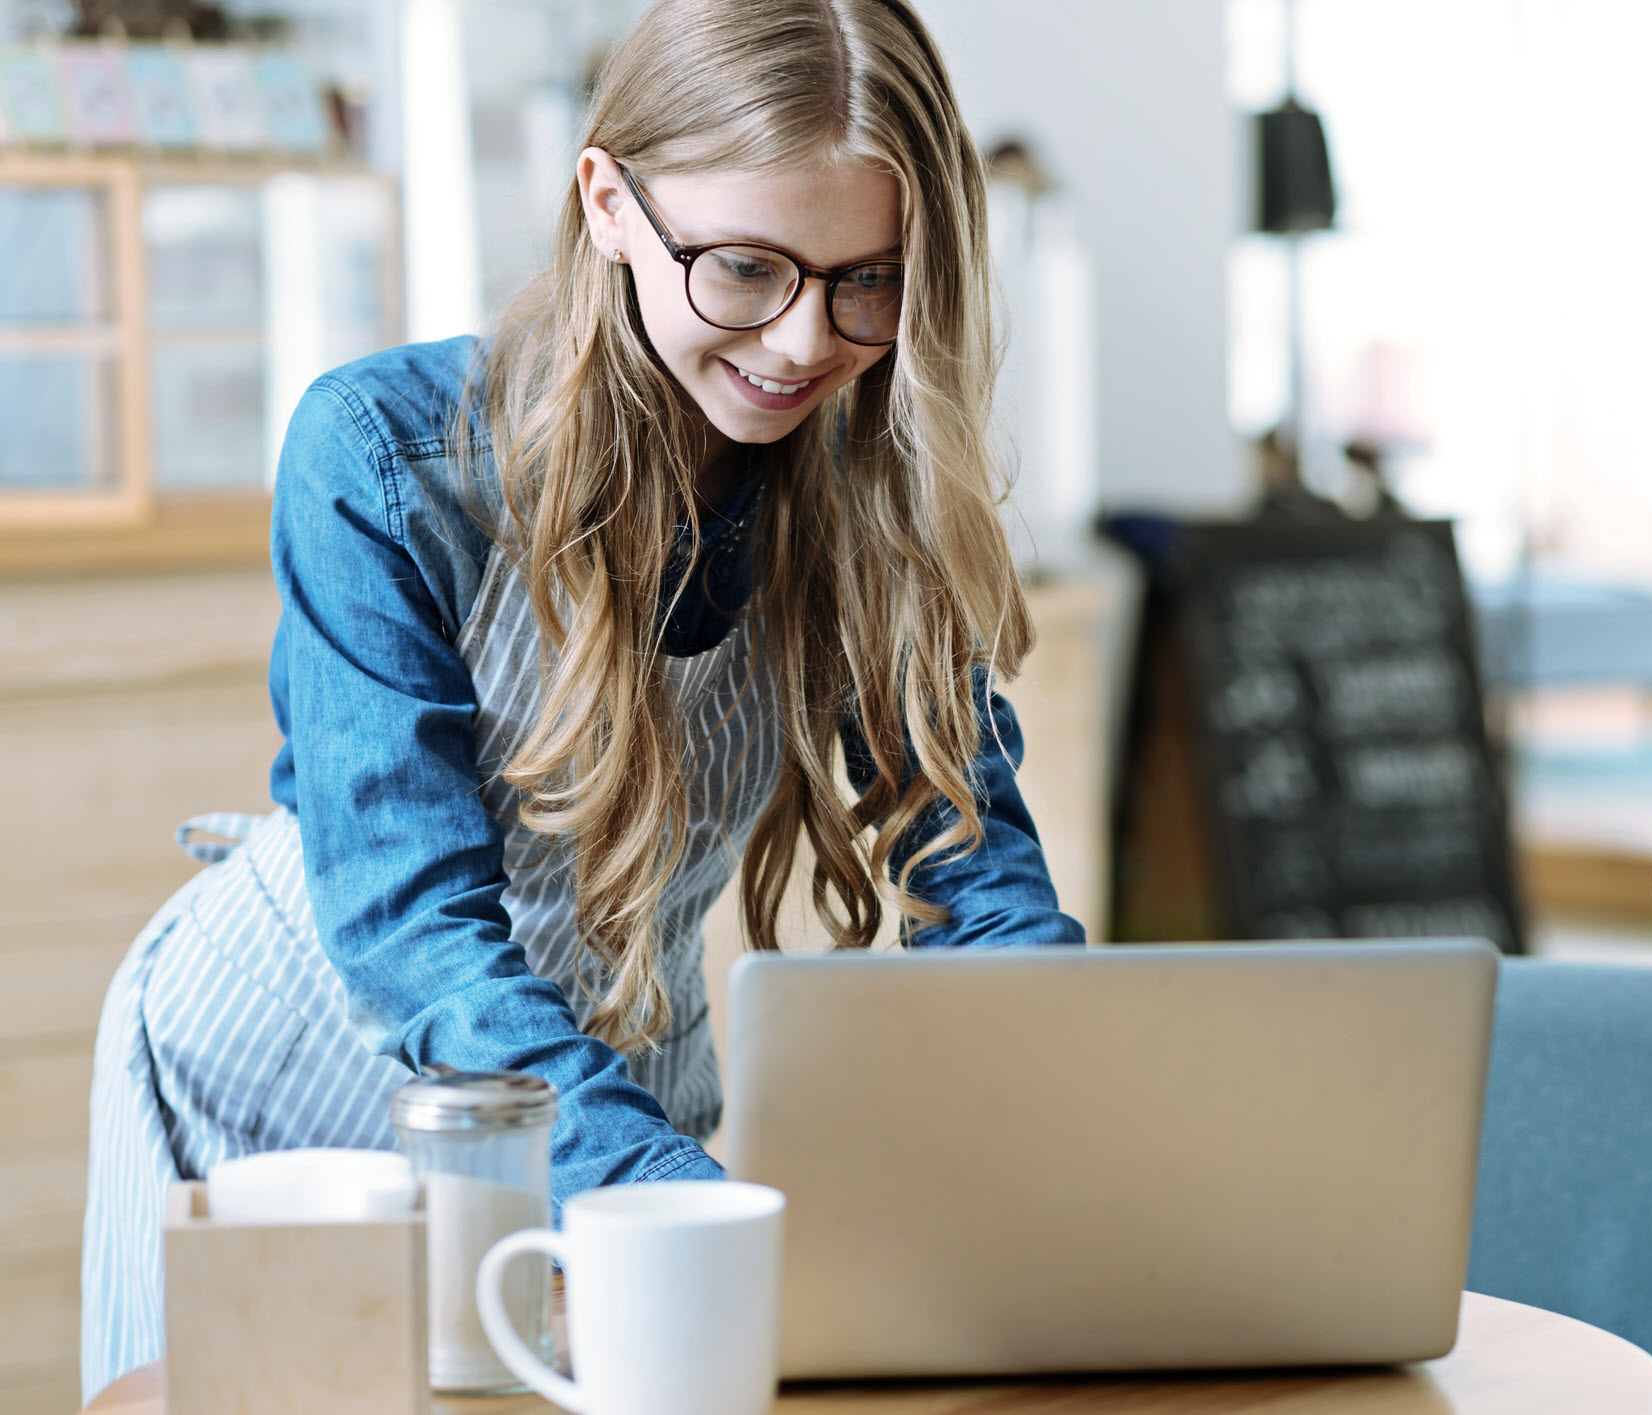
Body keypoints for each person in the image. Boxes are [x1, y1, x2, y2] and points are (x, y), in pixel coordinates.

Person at [80, 0, 1084, 1395]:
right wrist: (664, 1197)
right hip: (281, 1095)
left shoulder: (871, 492)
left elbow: (977, 876)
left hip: (600, 1088)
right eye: (743, 268)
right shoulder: (383, 457)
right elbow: (418, 934)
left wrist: (1084, 1133)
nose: (804, 342)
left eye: (868, 281)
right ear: (609, 202)